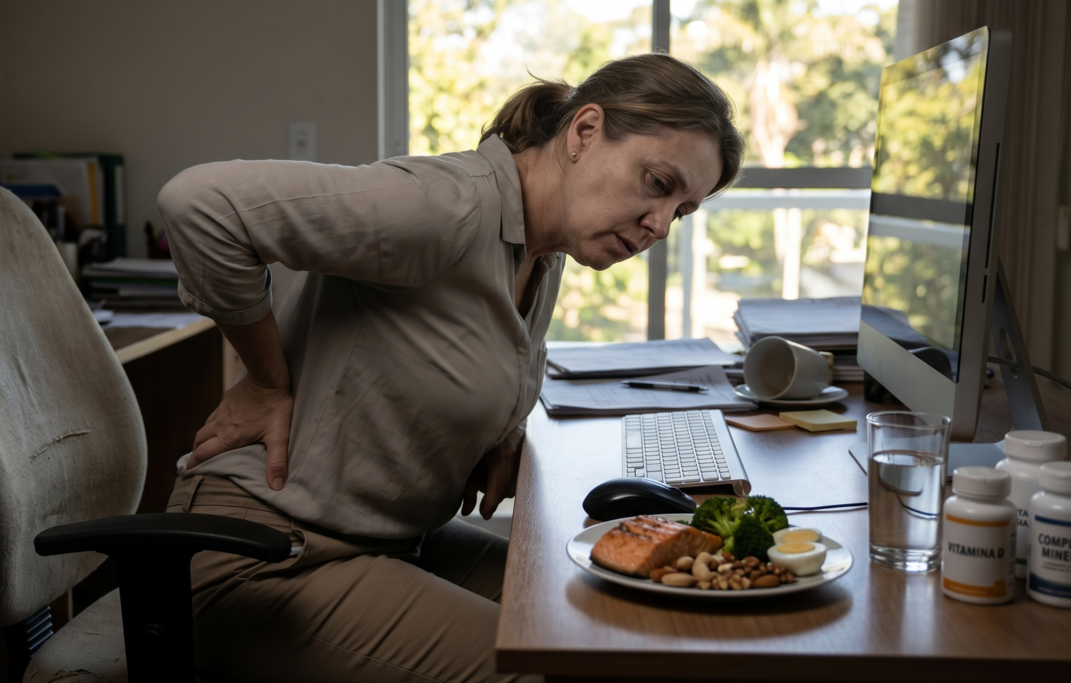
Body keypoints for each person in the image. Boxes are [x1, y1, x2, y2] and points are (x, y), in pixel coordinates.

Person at [157, 53, 743, 683]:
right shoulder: (450, 204)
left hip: (392, 541)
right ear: (584, 132)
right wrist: (267, 380)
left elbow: (449, 354)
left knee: (635, 616)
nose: (659, 225)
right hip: (267, 554)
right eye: (657, 183)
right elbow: (199, 204)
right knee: (558, 666)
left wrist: (499, 429)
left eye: (681, 211)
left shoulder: (542, 251)